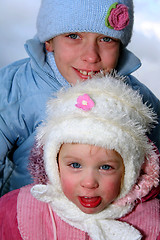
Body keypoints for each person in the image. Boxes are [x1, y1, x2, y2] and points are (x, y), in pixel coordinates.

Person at [0, 0, 160, 197]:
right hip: (27, 214)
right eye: (73, 36)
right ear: (49, 41)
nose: (91, 56)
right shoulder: (16, 86)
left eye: (106, 39)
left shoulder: (137, 99)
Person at [0, 74, 159, 240]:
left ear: (131, 172)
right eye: (75, 165)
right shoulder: (14, 210)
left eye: (105, 167)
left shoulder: (153, 222)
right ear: (53, 164)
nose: (89, 182)